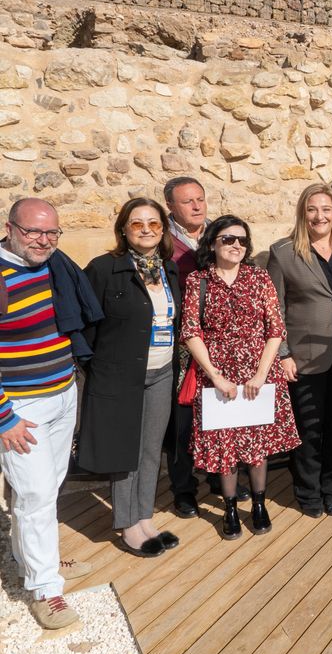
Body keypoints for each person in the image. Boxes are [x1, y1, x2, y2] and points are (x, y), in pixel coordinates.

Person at [1, 198, 102, 629]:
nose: (43, 241)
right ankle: (45, 588)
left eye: (51, 233)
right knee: (36, 495)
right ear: (10, 228)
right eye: (33, 232)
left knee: (49, 486)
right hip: (20, 407)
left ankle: (32, 554)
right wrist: (3, 417)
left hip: (63, 393)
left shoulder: (55, 265)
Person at [181, 216, 300, 540]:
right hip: (218, 376)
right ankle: (231, 507)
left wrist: (262, 374)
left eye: (242, 240)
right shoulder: (198, 281)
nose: (236, 245)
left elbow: (275, 329)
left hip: (259, 374)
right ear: (212, 243)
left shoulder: (259, 278)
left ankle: (259, 504)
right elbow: (191, 331)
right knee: (225, 446)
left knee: (257, 444)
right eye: (228, 238)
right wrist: (215, 376)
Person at [79, 199, 181, 558]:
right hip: (120, 375)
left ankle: (143, 516)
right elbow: (84, 325)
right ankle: (126, 523)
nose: (146, 229)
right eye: (137, 223)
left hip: (162, 372)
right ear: (123, 229)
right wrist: (99, 367)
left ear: (163, 230)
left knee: (151, 450)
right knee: (124, 451)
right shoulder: (104, 269)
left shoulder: (168, 270)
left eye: (153, 223)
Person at [268, 184, 332, 518]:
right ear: (302, 213)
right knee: (309, 426)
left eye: (326, 209)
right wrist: (283, 354)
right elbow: (274, 309)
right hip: (303, 355)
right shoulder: (283, 253)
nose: (319, 216)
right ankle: (308, 491)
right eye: (312, 209)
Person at [162, 177, 234, 517]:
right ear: (171, 208)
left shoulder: (220, 236)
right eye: (188, 201)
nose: (196, 206)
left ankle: (223, 478)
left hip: (222, 342)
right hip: (183, 344)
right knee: (183, 420)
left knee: (222, 414)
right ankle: (184, 488)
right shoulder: (163, 244)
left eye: (200, 199)